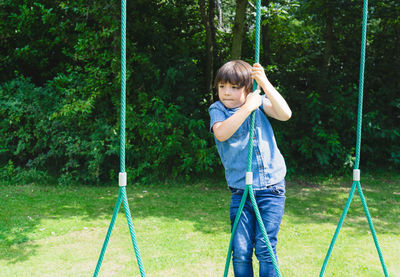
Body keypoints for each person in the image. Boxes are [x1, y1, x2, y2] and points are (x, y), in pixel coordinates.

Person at [208, 60, 291, 277]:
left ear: (247, 89)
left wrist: (263, 82)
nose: (226, 93)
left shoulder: (259, 102)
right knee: (241, 251)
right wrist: (247, 108)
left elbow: (285, 114)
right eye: (222, 87)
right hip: (240, 191)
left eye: (234, 87)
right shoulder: (218, 109)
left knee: (265, 249)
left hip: (270, 189)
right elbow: (222, 133)